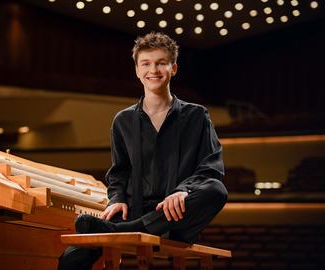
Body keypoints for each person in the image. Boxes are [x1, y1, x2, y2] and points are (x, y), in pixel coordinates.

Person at [57, 32, 228, 270]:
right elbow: (119, 172)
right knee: (72, 256)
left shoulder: (197, 115)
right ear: (137, 71)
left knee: (216, 190)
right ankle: (127, 227)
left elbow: (211, 167)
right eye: (146, 63)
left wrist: (183, 191)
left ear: (174, 68)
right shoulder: (122, 121)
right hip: (133, 211)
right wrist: (115, 199)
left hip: (178, 215)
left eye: (161, 63)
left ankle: (127, 230)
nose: (153, 70)